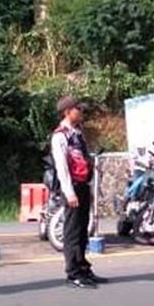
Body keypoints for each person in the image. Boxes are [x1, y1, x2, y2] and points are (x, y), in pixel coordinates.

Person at [52, 96, 107, 288]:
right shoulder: (60, 136)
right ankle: (73, 273)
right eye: (78, 109)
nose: (82, 112)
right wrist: (69, 193)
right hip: (72, 188)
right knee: (72, 232)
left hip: (83, 185)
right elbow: (62, 168)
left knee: (83, 229)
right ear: (67, 112)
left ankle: (83, 268)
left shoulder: (78, 133)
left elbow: (83, 159)